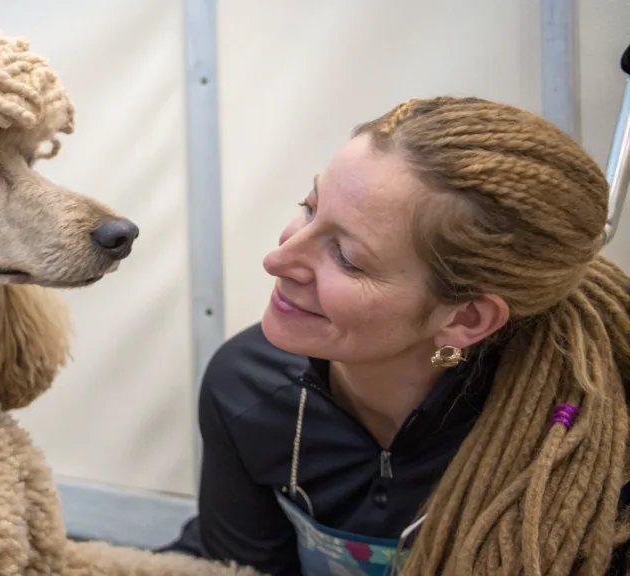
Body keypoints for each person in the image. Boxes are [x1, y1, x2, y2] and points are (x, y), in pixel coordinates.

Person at [160, 96, 630, 575]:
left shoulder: (575, 443)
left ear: (466, 319)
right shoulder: (245, 385)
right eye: (309, 208)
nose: (277, 260)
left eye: (345, 257)